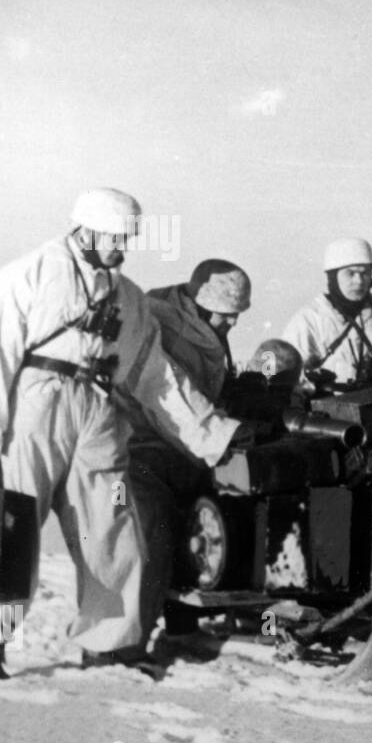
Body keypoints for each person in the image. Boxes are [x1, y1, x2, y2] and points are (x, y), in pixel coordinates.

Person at [0, 189, 246, 680]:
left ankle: (109, 647)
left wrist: (212, 432)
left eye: (128, 237)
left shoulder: (127, 298)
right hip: (34, 402)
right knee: (10, 524)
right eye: (115, 237)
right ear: (86, 229)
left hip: (98, 409)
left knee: (110, 527)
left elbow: (154, 374)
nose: (122, 247)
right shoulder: (28, 275)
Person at [124, 260, 252, 645]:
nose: (232, 324)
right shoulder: (157, 325)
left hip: (184, 448)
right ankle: (127, 644)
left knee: (198, 529)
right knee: (153, 539)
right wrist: (220, 433)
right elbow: (167, 391)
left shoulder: (200, 328)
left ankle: (182, 626)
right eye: (226, 316)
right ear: (201, 304)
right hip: (139, 446)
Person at [282, 238, 372, 388]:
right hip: (329, 408)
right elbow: (287, 378)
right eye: (350, 273)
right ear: (333, 276)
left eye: (365, 273)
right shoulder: (310, 320)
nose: (359, 281)